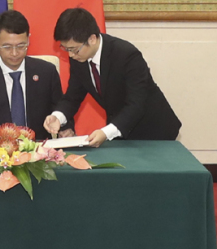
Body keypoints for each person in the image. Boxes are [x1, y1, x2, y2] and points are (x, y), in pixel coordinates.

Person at [44, 8, 182, 147]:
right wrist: (58, 117)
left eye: (74, 49)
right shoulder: (79, 59)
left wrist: (106, 132)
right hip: (120, 130)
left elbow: (136, 104)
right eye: (66, 49)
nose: (70, 55)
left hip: (154, 130)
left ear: (92, 39)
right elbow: (72, 97)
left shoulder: (127, 55)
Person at [0, 10, 71, 142]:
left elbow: (61, 108)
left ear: (28, 39)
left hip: (39, 152)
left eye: (21, 45)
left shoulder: (46, 72)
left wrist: (66, 129)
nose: (15, 53)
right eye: (7, 47)